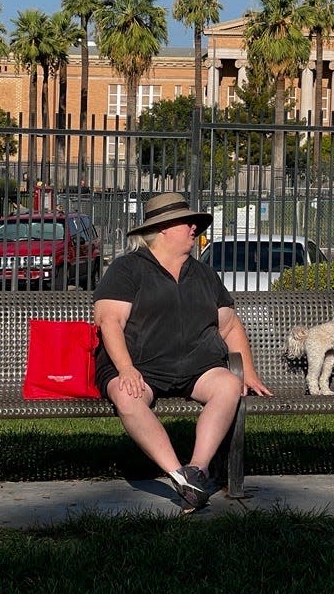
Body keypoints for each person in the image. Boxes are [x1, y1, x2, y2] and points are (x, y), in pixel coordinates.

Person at [93, 192, 273, 510]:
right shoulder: (127, 269)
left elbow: (230, 326)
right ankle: (178, 474)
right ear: (162, 229)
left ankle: (197, 471)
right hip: (139, 365)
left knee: (229, 384)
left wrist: (250, 371)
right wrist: (126, 369)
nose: (194, 227)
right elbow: (109, 322)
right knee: (127, 395)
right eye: (186, 222)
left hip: (195, 366)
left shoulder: (203, 274)